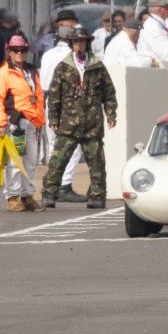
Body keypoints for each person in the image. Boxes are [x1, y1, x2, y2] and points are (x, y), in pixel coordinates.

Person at [42, 28, 117, 210]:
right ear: (71, 44)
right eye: (76, 42)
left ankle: (98, 196)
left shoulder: (97, 66)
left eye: (82, 41)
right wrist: (53, 118)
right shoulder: (63, 66)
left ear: (87, 43)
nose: (79, 45)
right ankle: (49, 194)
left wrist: (111, 113)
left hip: (92, 123)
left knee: (97, 161)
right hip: (69, 123)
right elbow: (54, 95)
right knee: (58, 161)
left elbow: (109, 92)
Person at [0, 33, 46, 212]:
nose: (19, 53)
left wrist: (41, 120)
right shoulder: (2, 74)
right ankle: (13, 197)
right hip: (15, 124)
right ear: (8, 51)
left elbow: (38, 96)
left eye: (22, 50)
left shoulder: (31, 70)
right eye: (15, 50)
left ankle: (27, 195)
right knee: (14, 162)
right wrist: (1, 124)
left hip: (32, 123)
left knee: (31, 162)